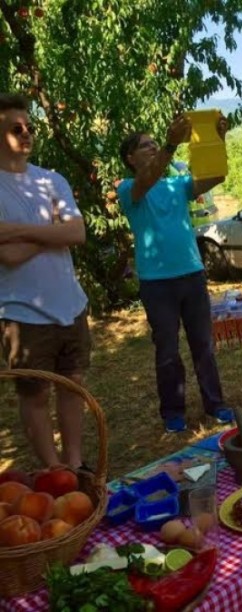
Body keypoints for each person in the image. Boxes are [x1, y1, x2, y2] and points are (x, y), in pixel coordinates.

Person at [117, 114, 234, 433]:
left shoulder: (176, 184)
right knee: (167, 350)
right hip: (157, 284)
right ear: (130, 158)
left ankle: (216, 404)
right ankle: (173, 413)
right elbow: (146, 180)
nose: (153, 146)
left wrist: (218, 141)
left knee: (204, 345)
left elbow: (216, 177)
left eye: (156, 142)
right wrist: (170, 143)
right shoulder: (129, 189)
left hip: (192, 274)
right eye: (146, 145)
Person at [0, 93, 91, 470]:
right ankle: (55, 472)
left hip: (71, 304)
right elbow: (8, 256)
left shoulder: (52, 180)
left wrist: (16, 231)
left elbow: (78, 233)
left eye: (30, 127)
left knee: (73, 388)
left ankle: (75, 465)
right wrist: (52, 230)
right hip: (22, 314)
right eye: (16, 128)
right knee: (34, 395)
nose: (27, 133)